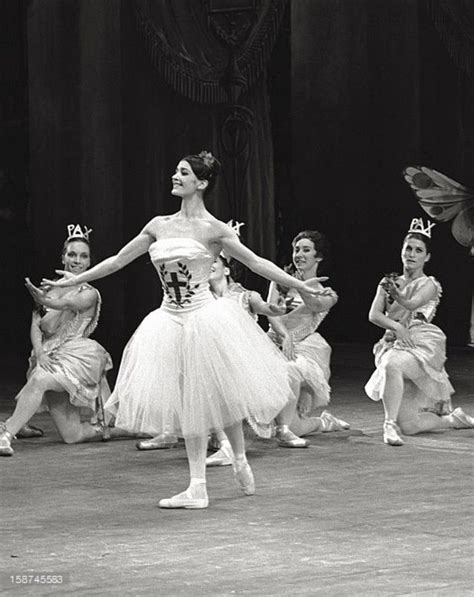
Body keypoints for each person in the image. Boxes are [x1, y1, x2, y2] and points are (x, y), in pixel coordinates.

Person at [20, 151, 325, 509]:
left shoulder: (213, 229)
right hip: (168, 319)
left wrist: (300, 286)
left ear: (201, 183)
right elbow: (118, 260)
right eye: (176, 171)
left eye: (183, 173)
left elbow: (256, 262)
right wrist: (79, 277)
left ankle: (237, 458)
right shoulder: (158, 224)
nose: (175, 177)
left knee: (219, 397)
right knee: (190, 401)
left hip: (203, 318)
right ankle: (198, 486)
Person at [0, 226, 118, 456]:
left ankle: (6, 432)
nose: (77, 260)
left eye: (83, 256)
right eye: (72, 254)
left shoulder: (90, 292)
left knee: (40, 380)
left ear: (90, 262)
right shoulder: (48, 287)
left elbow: (67, 305)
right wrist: (40, 352)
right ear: (63, 257)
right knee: (72, 436)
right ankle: (127, 430)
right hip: (48, 354)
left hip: (75, 357)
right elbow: (36, 324)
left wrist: (44, 299)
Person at [365, 218, 474, 446]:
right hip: (394, 340)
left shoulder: (430, 283)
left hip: (421, 342)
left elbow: (412, 304)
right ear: (402, 251)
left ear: (427, 257)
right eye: (408, 248)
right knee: (411, 425)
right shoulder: (388, 282)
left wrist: (398, 296)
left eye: (418, 250)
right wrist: (395, 326)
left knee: (391, 364)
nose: (412, 254)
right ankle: (453, 420)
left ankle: (388, 424)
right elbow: (374, 315)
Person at [267, 230, 350, 438]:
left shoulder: (328, 293)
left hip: (302, 350)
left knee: (292, 426)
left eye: (306, 250)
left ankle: (323, 422)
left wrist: (302, 287)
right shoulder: (279, 281)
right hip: (273, 342)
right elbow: (271, 312)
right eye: (296, 250)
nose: (299, 254)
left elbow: (314, 305)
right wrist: (284, 335)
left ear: (318, 256)